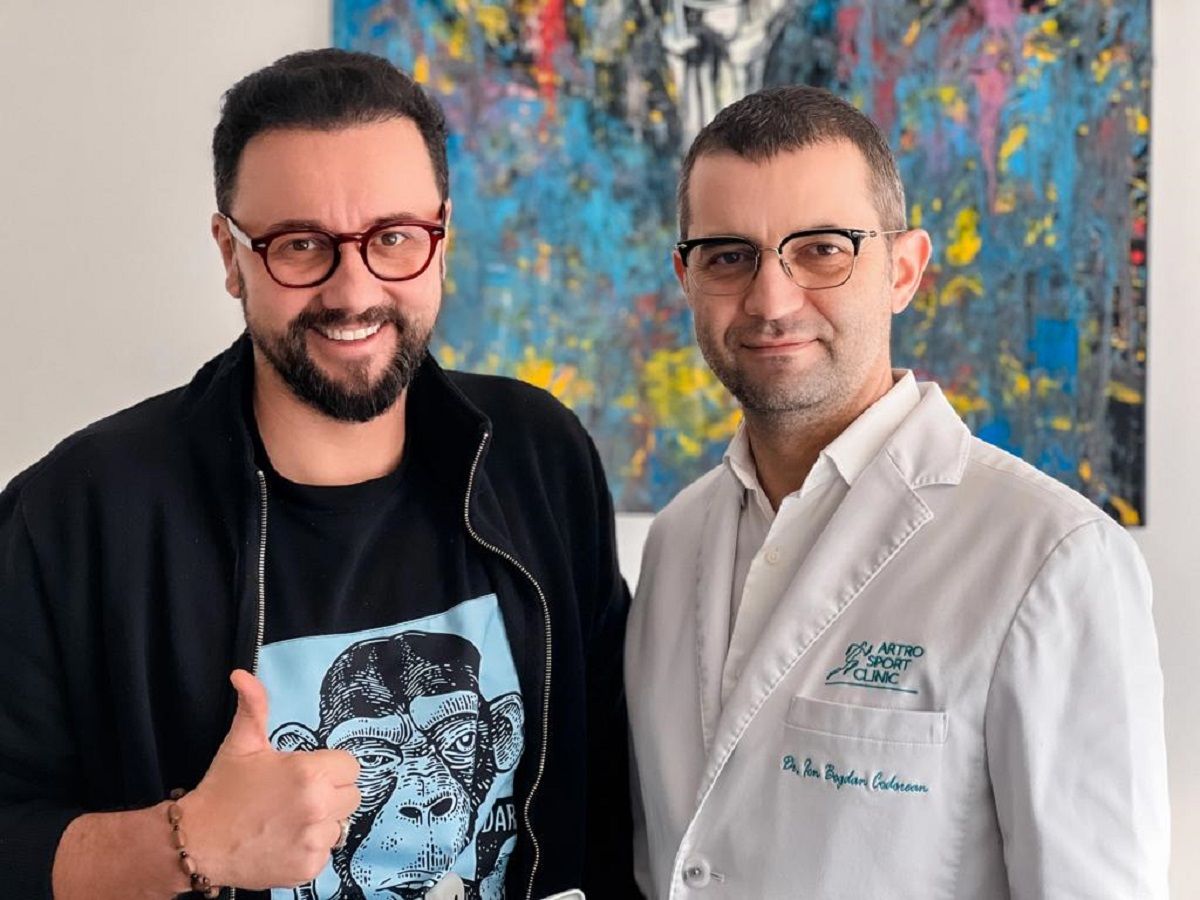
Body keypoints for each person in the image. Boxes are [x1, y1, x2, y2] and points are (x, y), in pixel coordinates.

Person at [0, 49, 636, 900]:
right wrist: (189, 842)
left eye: (394, 238)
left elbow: (614, 784)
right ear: (231, 254)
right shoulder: (80, 512)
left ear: (442, 237)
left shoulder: (538, 456)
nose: (352, 291)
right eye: (301, 246)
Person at [625, 85, 1169, 898]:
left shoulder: (1052, 559)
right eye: (729, 256)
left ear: (904, 270)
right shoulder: (675, 541)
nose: (772, 301)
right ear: (687, 276)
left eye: (822, 249)